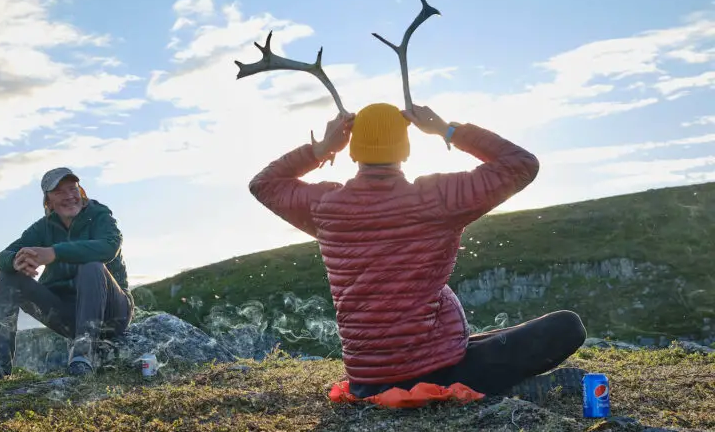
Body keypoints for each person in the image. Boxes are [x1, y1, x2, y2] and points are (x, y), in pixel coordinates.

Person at [248, 103, 587, 402]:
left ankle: (487, 382)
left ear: (352, 150)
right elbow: (520, 164)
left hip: (367, 380)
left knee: (490, 340)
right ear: (406, 150)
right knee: (567, 326)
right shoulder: (436, 198)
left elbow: (263, 184)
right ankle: (505, 389)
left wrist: (321, 148)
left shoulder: (325, 207)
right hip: (434, 374)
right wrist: (446, 129)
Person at [0, 167, 133, 378]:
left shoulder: (100, 216)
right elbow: (0, 258)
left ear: (82, 192)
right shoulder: (43, 228)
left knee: (91, 265)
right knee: (6, 278)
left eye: (73, 189)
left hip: (112, 313)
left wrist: (54, 252)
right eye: (59, 192)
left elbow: (109, 247)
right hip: (67, 316)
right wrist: (15, 261)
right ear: (48, 202)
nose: (69, 196)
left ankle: (82, 358)